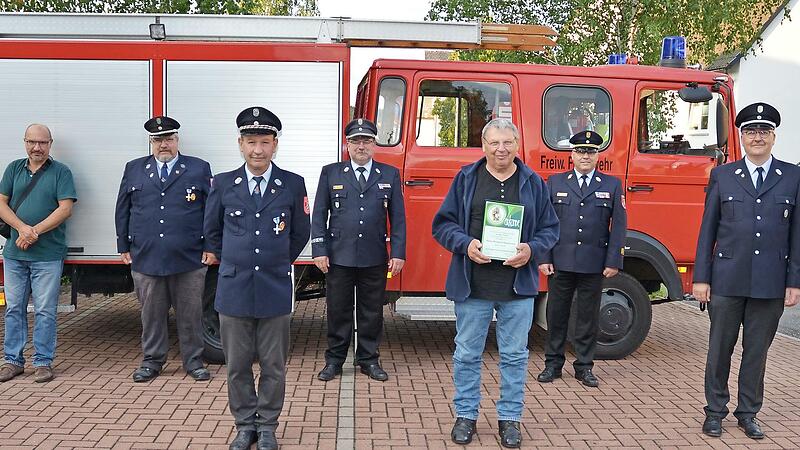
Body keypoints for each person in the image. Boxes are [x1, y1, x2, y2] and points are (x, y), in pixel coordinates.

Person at [432, 118, 559, 448]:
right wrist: (465, 244)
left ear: (517, 144)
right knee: (466, 354)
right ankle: (466, 415)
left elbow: (550, 229)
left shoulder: (533, 182)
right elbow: (442, 225)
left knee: (515, 356)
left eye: (507, 142)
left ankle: (510, 419)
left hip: (517, 288)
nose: (501, 149)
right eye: (494, 143)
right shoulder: (466, 178)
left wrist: (531, 249)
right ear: (483, 145)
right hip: (473, 285)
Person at [204, 106, 310, 450]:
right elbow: (212, 232)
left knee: (273, 365)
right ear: (240, 144)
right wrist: (239, 259)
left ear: (275, 144)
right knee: (236, 365)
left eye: (265, 142)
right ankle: (244, 425)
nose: (258, 150)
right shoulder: (222, 184)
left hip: (274, 288)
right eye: (251, 142)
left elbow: (300, 232)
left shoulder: (292, 184)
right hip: (234, 287)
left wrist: (276, 260)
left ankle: (267, 427)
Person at [693, 102, 800, 439]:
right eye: (751, 131)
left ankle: (748, 412)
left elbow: (797, 234)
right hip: (727, 279)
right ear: (741, 137)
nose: (757, 137)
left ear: (773, 137)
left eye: (763, 131)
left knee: (756, 353)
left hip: (770, 282)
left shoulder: (793, 176)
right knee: (719, 349)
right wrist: (701, 277)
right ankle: (714, 412)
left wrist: (794, 281)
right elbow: (707, 229)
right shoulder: (723, 175)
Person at [114, 116, 215, 383]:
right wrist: (123, 244)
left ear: (177, 140)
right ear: (151, 142)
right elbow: (123, 208)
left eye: (169, 138)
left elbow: (212, 210)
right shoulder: (134, 169)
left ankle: (193, 361)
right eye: (158, 140)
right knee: (151, 315)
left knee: (190, 314)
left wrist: (212, 247)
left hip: (189, 257)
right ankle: (152, 361)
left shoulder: (198, 168)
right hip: (147, 257)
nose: (163, 144)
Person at [312, 118, 406, 383]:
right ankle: (334, 361)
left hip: (373, 256)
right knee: (338, 310)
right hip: (339, 256)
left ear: (374, 144)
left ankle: (368, 360)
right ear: (347, 145)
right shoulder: (331, 173)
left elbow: (398, 217)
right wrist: (320, 249)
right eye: (355, 141)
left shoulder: (388, 174)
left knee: (371, 311)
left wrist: (398, 252)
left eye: (366, 141)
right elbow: (319, 214)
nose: (361, 146)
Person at [537, 130, 627, 388]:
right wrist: (543, 256)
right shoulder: (555, 182)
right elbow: (544, 223)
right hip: (561, 261)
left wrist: (614, 260)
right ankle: (552, 365)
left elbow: (618, 226)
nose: (585, 156)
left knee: (588, 316)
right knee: (556, 315)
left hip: (593, 262)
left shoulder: (611, 185)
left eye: (590, 151)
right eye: (580, 151)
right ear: (571, 155)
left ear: (598, 155)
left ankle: (584, 367)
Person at [0, 124, 77, 383]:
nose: (37, 147)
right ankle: (13, 361)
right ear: (24, 142)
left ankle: (43, 362)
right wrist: (22, 229)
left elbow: (65, 208)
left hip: (48, 254)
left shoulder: (61, 172)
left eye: (43, 143)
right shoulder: (13, 169)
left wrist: (34, 232)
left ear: (50, 144)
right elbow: (1, 203)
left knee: (44, 310)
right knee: (14, 309)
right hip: (14, 254)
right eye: (32, 142)